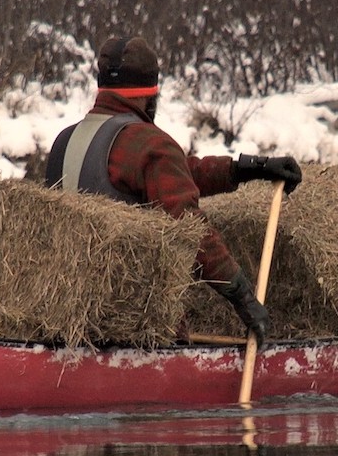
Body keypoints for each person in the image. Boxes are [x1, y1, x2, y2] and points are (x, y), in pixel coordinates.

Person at [45, 37, 301, 343]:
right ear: (151, 94)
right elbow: (190, 228)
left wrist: (246, 168)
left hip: (67, 321)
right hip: (135, 327)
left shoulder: (63, 142)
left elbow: (172, 173)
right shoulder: (150, 143)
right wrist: (244, 298)